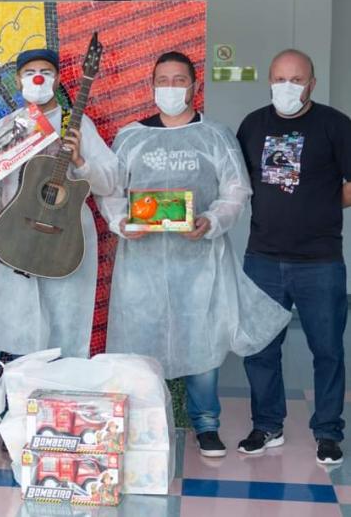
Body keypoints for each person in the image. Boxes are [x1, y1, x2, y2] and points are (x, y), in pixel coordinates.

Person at [98, 51, 291, 458]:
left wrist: (211, 221)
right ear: (151, 86)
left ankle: (206, 426)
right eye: (162, 80)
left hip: (200, 262)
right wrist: (120, 223)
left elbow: (236, 191)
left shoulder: (215, 136)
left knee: (201, 341)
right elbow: (111, 191)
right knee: (138, 342)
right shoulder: (131, 137)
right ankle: (134, 422)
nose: (170, 88)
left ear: (194, 85)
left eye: (178, 80)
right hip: (141, 265)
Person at [237, 49, 351, 464]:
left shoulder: (335, 125)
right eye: (280, 78)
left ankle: (328, 432)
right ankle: (267, 425)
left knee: (328, 350)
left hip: (320, 261)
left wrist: (319, 203)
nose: (288, 86)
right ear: (269, 81)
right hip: (262, 259)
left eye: (297, 79)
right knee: (260, 349)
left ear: (312, 84)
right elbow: (240, 182)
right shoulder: (252, 125)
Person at [0, 48, 117, 358]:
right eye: (29, 72)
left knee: (65, 329)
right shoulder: (7, 129)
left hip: (65, 239)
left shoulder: (77, 125)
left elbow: (108, 182)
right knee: (17, 332)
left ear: (57, 79)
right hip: (16, 237)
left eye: (46, 72)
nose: (37, 78)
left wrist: (79, 159)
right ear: (18, 79)